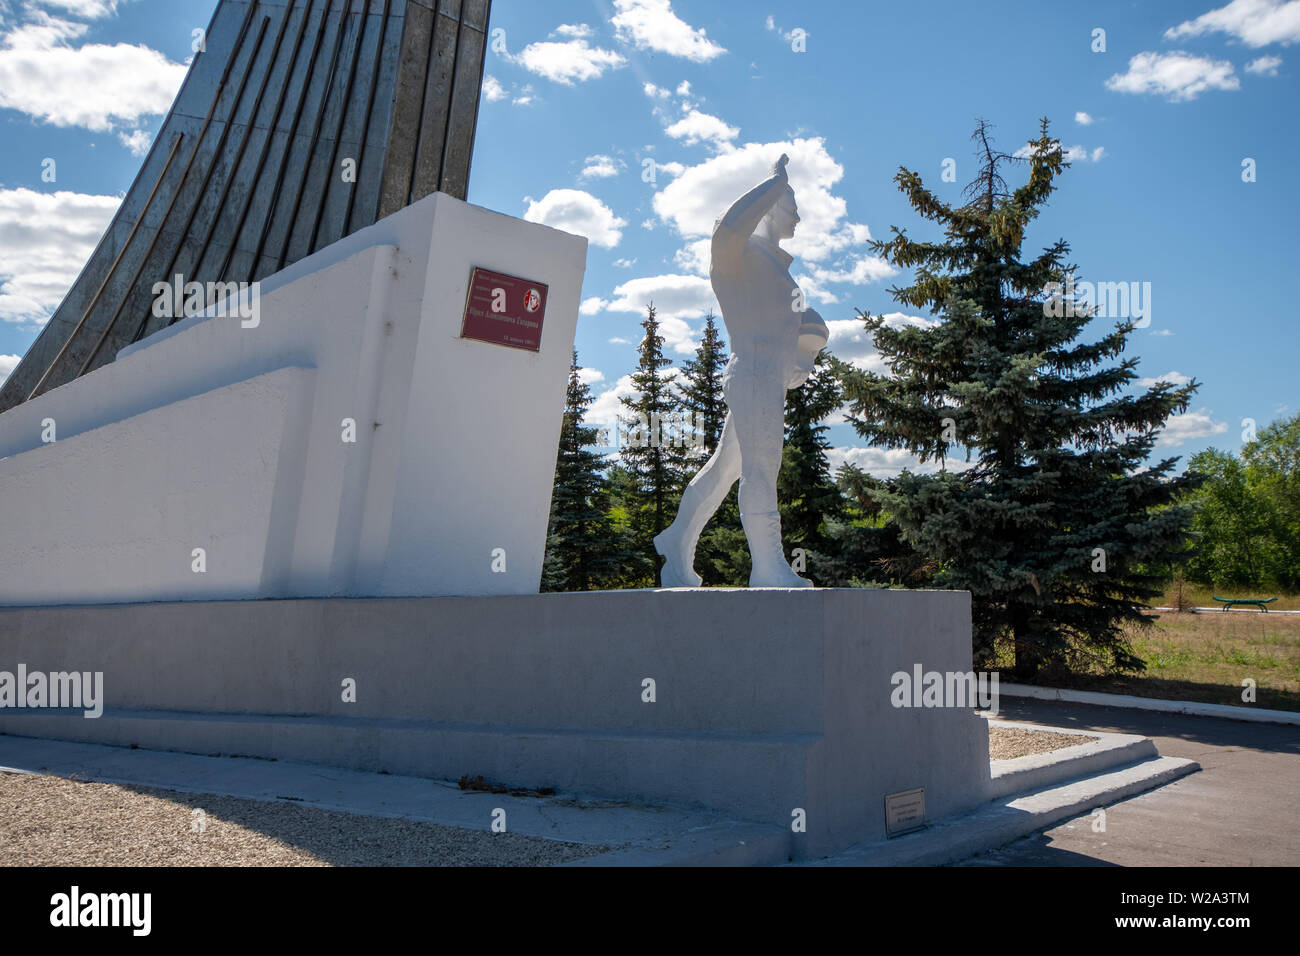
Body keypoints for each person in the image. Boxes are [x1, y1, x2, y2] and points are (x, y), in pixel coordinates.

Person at [654, 154, 828, 587]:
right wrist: (774, 183)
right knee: (762, 468)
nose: (800, 217)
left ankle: (676, 540)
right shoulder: (735, 256)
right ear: (769, 208)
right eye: (792, 207)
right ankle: (768, 567)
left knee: (724, 470)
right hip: (751, 375)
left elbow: (801, 330)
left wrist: (802, 357)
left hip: (766, 378)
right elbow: (727, 226)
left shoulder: (776, 269)